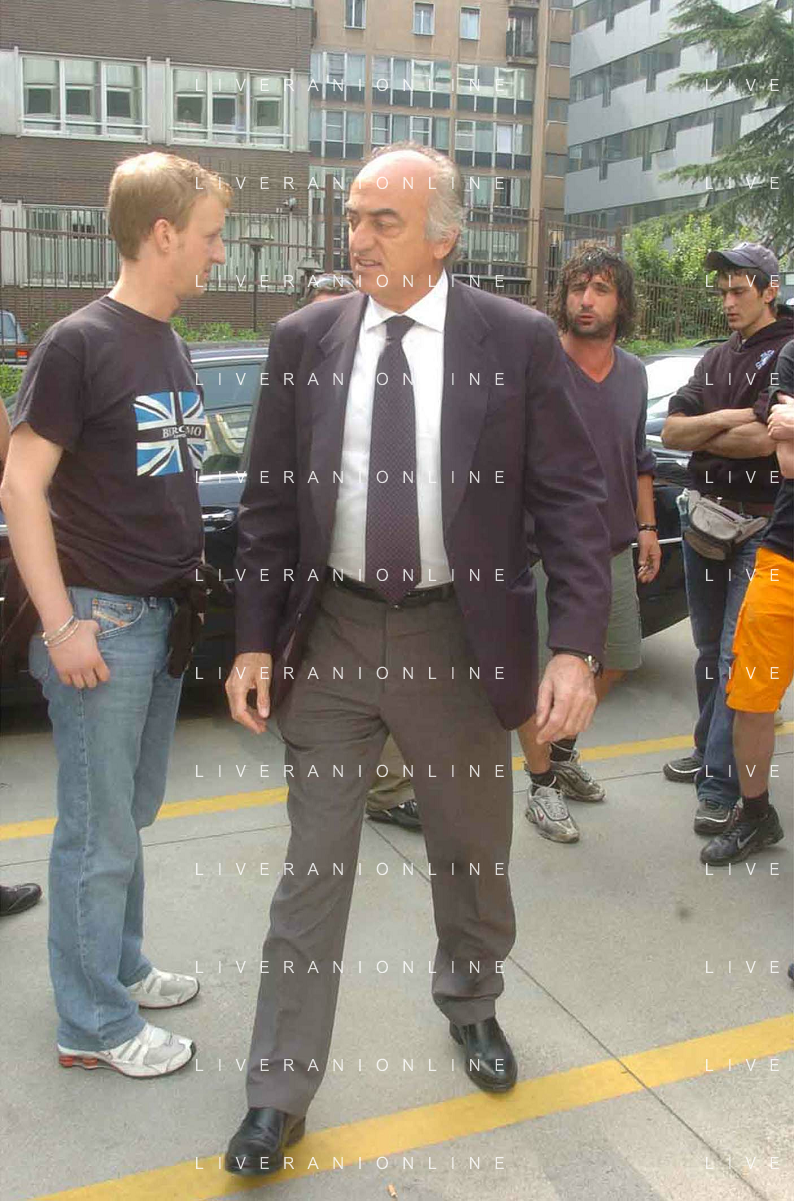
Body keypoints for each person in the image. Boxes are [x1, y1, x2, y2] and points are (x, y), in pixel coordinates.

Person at [223, 142, 611, 1176]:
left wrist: (574, 646)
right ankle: (276, 1089)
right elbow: (266, 507)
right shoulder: (304, 339)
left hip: (459, 637)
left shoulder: (514, 341)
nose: (357, 238)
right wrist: (254, 638)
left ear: (444, 235)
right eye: (352, 217)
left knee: (471, 850)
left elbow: (572, 501)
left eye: (382, 221)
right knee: (311, 870)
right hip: (335, 634)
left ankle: (471, 996)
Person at [0, 152, 230, 1078]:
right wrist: (62, 626)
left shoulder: (166, 340)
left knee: (125, 817)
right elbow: (19, 486)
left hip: (161, 618)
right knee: (95, 834)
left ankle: (121, 968)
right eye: (211, 235)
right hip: (102, 622)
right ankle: (92, 1023)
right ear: (163, 233)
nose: (220, 252)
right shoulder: (78, 343)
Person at [518, 246, 659, 843]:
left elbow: (639, 457)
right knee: (543, 677)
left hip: (614, 546)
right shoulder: (540, 365)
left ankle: (560, 753)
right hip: (545, 552)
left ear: (621, 302)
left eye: (601, 289)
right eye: (577, 287)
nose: (586, 300)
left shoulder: (634, 373)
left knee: (619, 660)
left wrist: (647, 528)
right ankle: (542, 786)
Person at [661, 243, 793, 841]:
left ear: (770, 289)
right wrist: (727, 421)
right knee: (708, 649)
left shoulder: (787, 351)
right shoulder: (717, 357)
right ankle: (707, 750)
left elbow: (769, 442)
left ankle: (721, 786)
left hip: (763, 529)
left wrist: (704, 433)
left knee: (737, 661)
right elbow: (672, 430)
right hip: (705, 521)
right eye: (722, 293)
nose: (728, 302)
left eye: (739, 290)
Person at [301, 270, 422, 831]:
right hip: (330, 594)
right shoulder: (297, 372)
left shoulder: (403, 370)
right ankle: (376, 789)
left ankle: (389, 788)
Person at [699, 336, 793, 866]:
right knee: (751, 696)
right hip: (784, 558)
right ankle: (756, 813)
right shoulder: (793, 356)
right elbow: (787, 457)